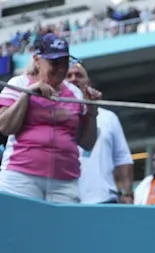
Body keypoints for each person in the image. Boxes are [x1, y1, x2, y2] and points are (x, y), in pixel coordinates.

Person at [0, 34, 99, 203]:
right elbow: (5, 127)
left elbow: (87, 143)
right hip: (21, 174)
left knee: (61, 229)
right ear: (37, 60)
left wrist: (92, 111)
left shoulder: (74, 94)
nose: (61, 69)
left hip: (65, 179)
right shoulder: (19, 83)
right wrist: (27, 94)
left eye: (65, 62)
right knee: (19, 227)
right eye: (54, 63)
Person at [66, 62, 134, 204]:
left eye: (79, 75)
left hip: (104, 198)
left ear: (88, 82)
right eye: (68, 76)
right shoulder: (56, 115)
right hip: (66, 199)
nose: (73, 79)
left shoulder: (108, 117)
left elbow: (123, 158)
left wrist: (128, 194)